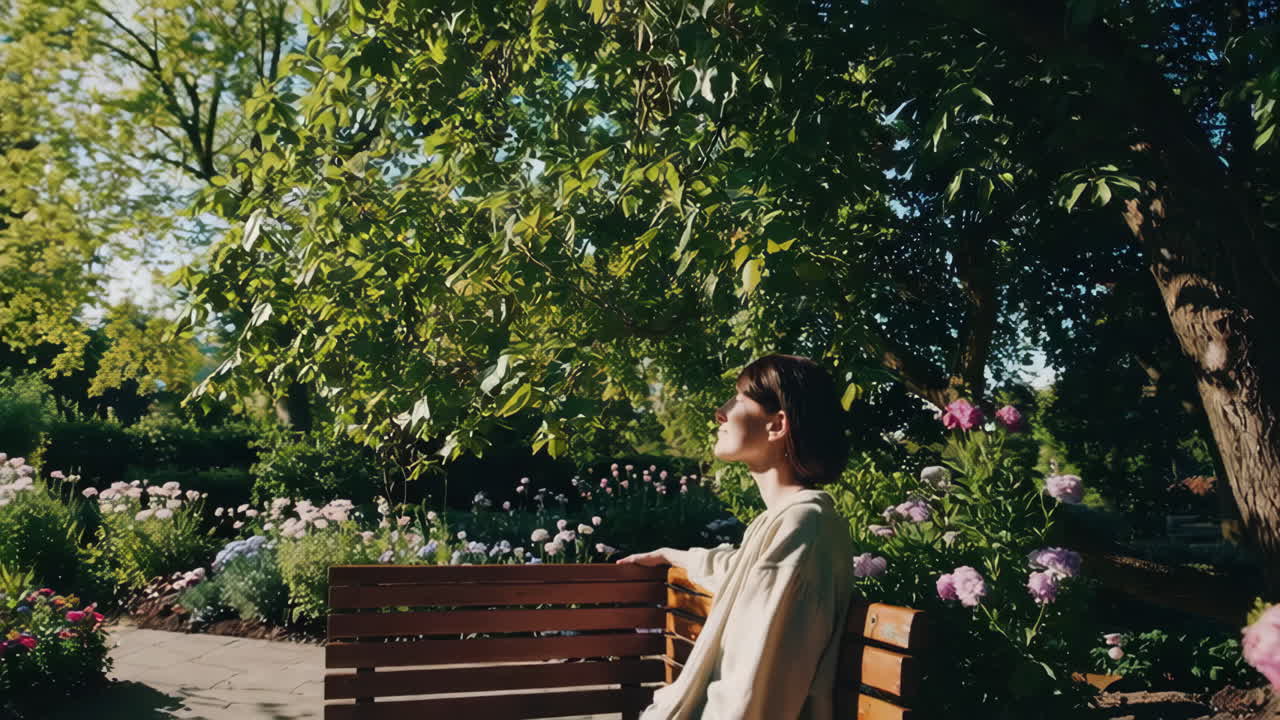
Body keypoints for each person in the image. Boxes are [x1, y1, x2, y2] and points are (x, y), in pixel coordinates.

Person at [617, 354, 855, 720]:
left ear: (777, 425)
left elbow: (748, 688)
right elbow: (741, 570)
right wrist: (671, 554)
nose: (720, 413)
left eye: (738, 400)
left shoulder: (803, 528)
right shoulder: (788, 521)